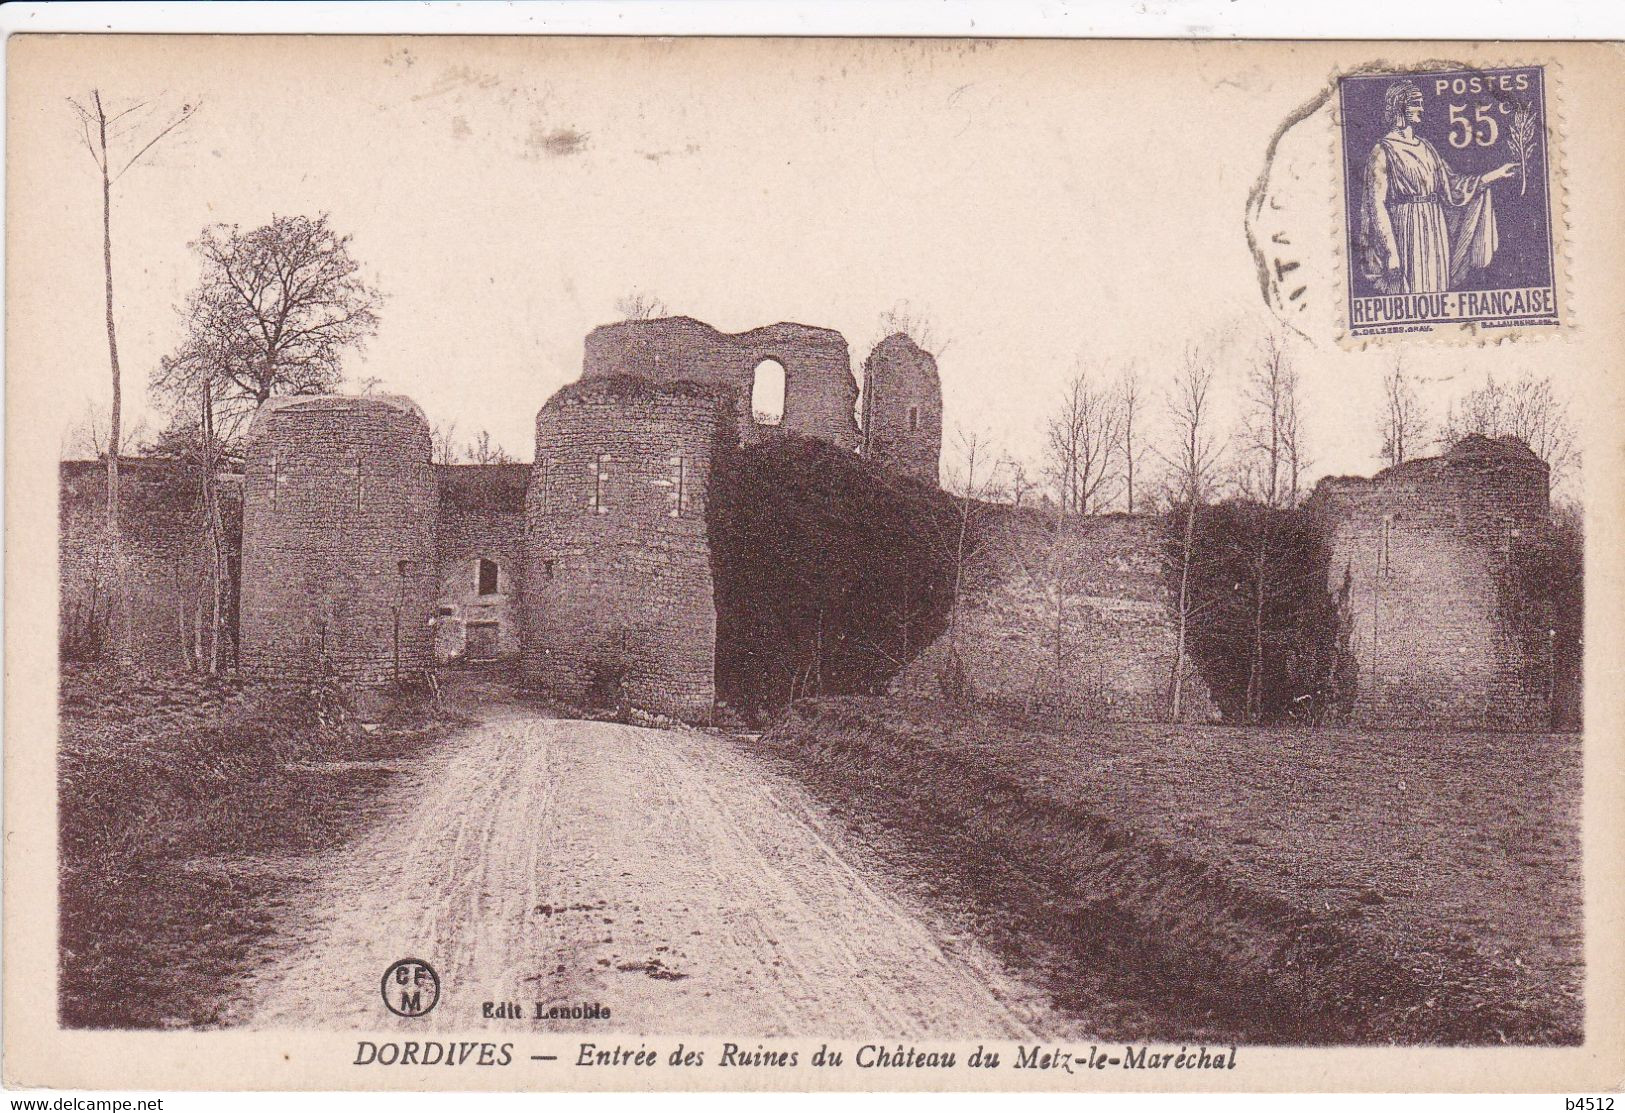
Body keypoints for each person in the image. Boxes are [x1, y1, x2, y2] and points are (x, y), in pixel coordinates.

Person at [1358, 79, 1518, 294]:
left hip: (1434, 230)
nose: (1422, 109)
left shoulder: (1426, 147)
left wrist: (1495, 175)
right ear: (1400, 106)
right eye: (1416, 103)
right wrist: (1391, 253)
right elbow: (1376, 206)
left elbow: (1453, 186)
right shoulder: (1383, 150)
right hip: (1406, 231)